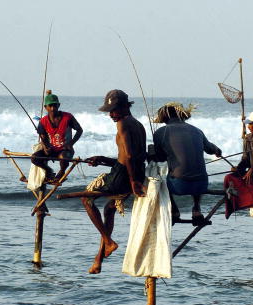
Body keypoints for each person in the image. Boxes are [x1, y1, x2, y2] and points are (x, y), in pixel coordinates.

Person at [81, 89, 147, 274]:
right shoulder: (138, 124)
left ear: (126, 107)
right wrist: (102, 158)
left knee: (86, 200)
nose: (111, 114)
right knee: (109, 208)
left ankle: (108, 242)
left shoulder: (123, 124)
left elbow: (129, 155)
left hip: (125, 174)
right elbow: (129, 157)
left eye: (114, 110)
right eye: (109, 111)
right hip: (134, 171)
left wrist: (133, 181)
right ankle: (98, 259)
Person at [152, 102, 222, 225]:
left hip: (179, 185)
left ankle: (174, 211)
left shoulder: (160, 132)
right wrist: (217, 149)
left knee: (160, 182)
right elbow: (210, 149)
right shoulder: (197, 131)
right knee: (196, 172)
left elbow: (161, 158)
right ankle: (196, 209)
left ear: (165, 118)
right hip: (202, 184)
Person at [31, 91, 83, 182]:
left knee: (63, 157)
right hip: (52, 150)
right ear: (45, 107)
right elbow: (43, 137)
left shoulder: (68, 117)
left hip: (65, 151)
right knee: (34, 158)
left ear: (58, 105)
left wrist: (71, 143)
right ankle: (49, 170)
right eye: (50, 106)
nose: (52, 108)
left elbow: (79, 130)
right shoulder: (43, 121)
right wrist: (45, 147)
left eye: (55, 105)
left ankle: (62, 172)